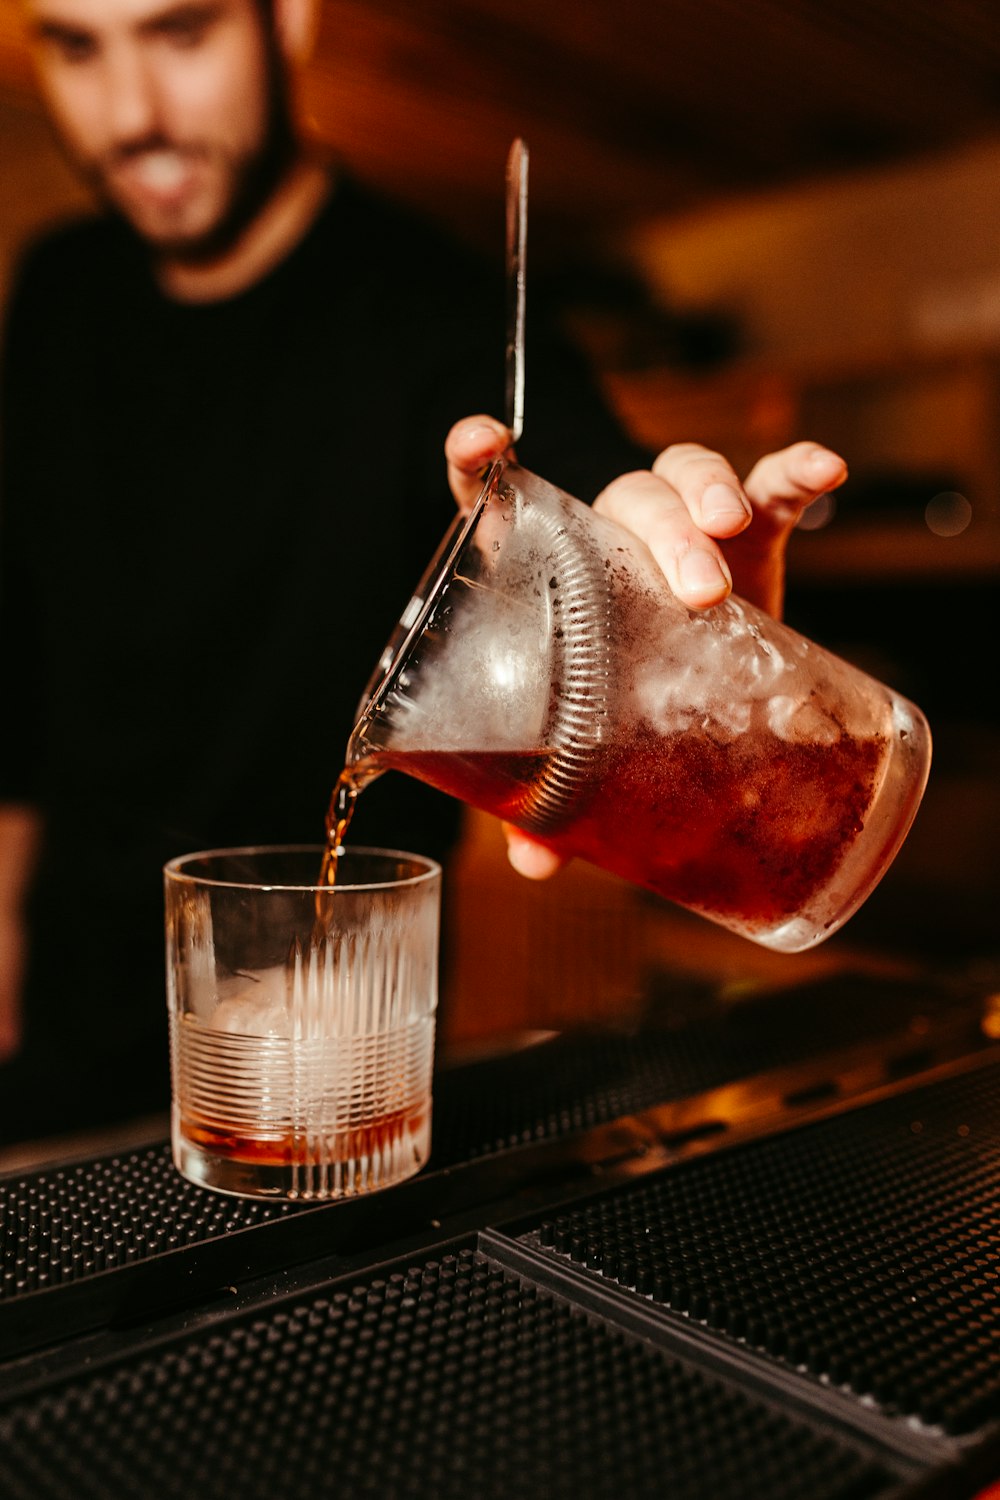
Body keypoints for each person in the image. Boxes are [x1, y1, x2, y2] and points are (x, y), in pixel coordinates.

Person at [0, 0, 847, 1142]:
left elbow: (579, 486)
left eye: (181, 31)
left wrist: (669, 594)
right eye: (75, 45)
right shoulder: (56, 291)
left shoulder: (443, 312)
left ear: (287, 20)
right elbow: (17, 638)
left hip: (332, 1046)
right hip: (59, 1004)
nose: (134, 112)